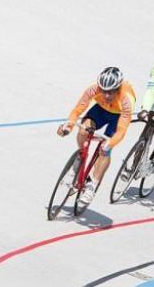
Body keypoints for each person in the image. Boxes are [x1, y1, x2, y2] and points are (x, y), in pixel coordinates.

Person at [57, 67, 136, 204]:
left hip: (117, 117)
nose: (106, 95)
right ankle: (81, 159)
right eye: (103, 91)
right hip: (100, 110)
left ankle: (92, 187)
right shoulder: (93, 89)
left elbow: (121, 130)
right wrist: (67, 127)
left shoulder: (126, 100)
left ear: (118, 89)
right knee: (83, 130)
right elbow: (77, 110)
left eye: (110, 92)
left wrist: (110, 144)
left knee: (105, 150)